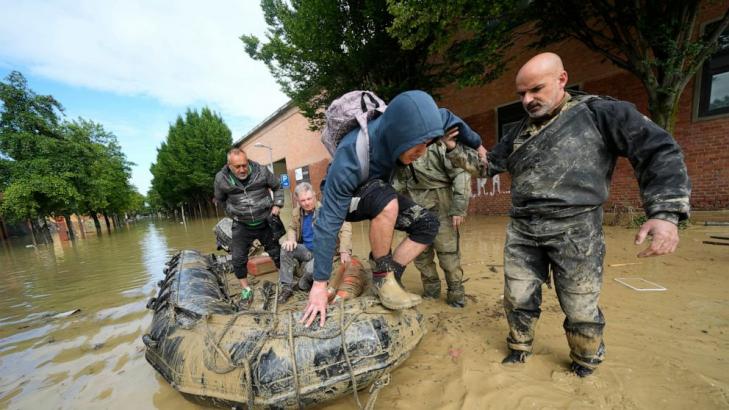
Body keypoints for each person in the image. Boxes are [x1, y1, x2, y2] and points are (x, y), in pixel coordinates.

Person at [445, 52, 691, 377]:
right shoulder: (520, 130)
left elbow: (657, 149)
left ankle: (585, 363)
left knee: (580, 304)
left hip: (577, 229)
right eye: (521, 94)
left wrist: (666, 212)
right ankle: (519, 348)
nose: (527, 100)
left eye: (536, 90)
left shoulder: (600, 112)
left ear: (562, 79)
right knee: (517, 296)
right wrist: (453, 150)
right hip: (523, 228)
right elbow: (489, 166)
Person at [301, 90, 481, 327]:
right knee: (386, 197)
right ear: (399, 136)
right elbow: (326, 226)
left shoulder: (417, 122)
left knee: (428, 225)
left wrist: (478, 145)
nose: (422, 152)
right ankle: (382, 276)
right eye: (418, 145)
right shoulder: (349, 158)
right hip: (349, 200)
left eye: (428, 144)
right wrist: (319, 284)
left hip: (378, 191)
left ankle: (388, 277)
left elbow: (448, 117)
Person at [394, 140, 471, 307]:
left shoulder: (438, 145)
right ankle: (431, 292)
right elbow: (395, 183)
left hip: (441, 203)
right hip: (413, 205)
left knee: (448, 254)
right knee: (421, 256)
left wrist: (459, 207)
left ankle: (456, 294)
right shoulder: (398, 148)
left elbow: (461, 172)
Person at [214, 148, 284, 302]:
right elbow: (220, 199)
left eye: (244, 165)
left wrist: (277, 205)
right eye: (237, 167)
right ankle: (245, 288)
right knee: (238, 258)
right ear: (229, 166)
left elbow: (277, 186)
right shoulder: (221, 179)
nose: (242, 169)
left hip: (265, 220)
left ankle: (284, 280)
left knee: (276, 251)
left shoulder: (262, 172)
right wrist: (232, 212)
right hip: (241, 224)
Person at [277, 182, 353, 304]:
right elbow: (291, 228)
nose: (307, 203)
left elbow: (346, 227)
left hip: (323, 252)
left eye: (309, 198)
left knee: (310, 269)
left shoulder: (326, 210)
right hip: (307, 251)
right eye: (303, 200)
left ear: (314, 195)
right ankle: (287, 287)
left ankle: (304, 283)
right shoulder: (297, 212)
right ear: (297, 200)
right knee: (285, 248)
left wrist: (344, 250)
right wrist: (291, 239)